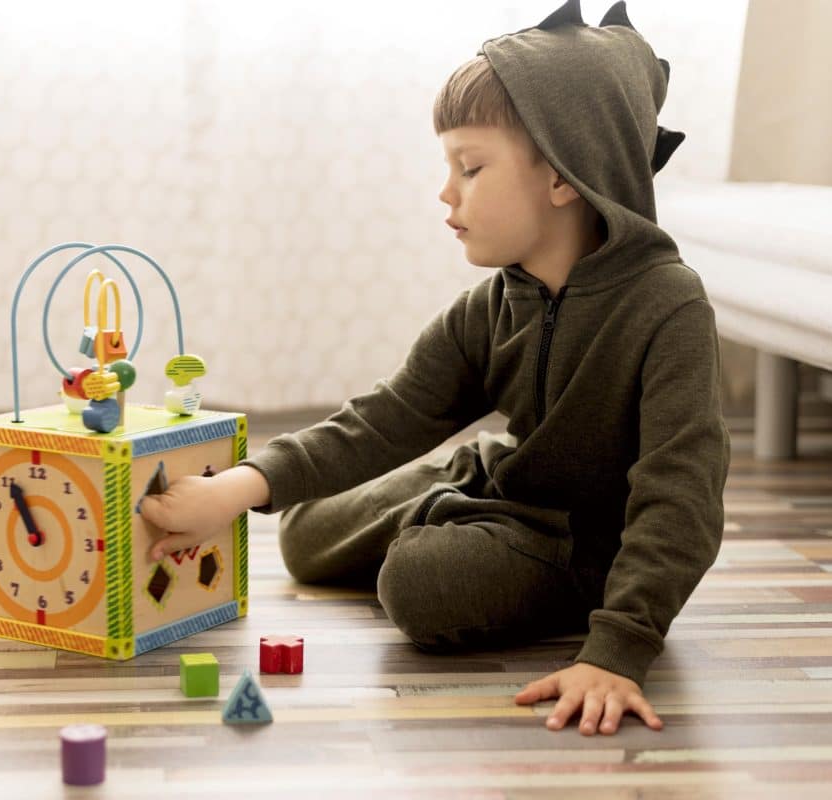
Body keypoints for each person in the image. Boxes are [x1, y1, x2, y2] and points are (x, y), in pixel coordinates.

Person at [138, 0, 730, 737]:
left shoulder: (668, 305)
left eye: (470, 167)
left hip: (586, 546)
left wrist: (619, 647)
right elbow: (387, 418)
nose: (446, 193)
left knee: (419, 586)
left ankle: (451, 519)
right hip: (507, 487)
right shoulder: (490, 302)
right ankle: (454, 499)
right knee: (302, 537)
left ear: (564, 176)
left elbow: (684, 496)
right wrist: (235, 488)